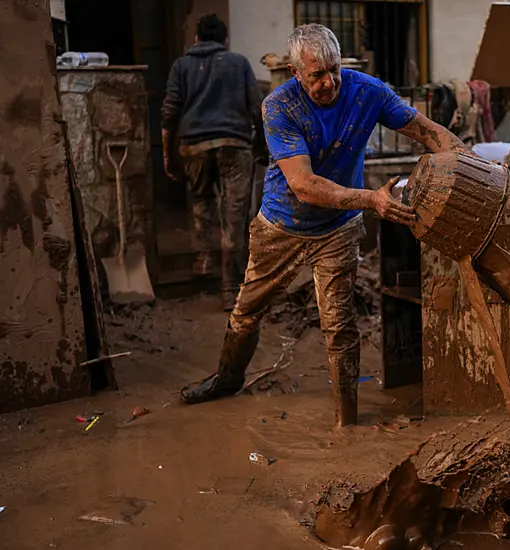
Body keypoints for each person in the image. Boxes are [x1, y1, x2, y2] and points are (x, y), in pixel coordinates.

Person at [179, 24, 474, 428]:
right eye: (316, 75)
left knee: (339, 325)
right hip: (281, 224)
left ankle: (345, 421)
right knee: (246, 313)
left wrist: (470, 164)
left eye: (333, 69)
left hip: (338, 228)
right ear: (294, 71)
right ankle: (227, 379)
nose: (328, 82)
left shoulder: (366, 90)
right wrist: (372, 199)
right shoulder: (278, 107)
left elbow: (425, 131)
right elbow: (304, 185)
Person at [162, 14, 266, 312]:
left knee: (201, 199)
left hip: (193, 146)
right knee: (234, 217)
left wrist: (169, 157)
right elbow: (257, 108)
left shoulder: (181, 65)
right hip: (235, 145)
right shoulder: (239, 63)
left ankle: (204, 255)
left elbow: (169, 114)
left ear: (196, 40)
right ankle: (229, 288)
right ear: (225, 41)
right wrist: (260, 147)